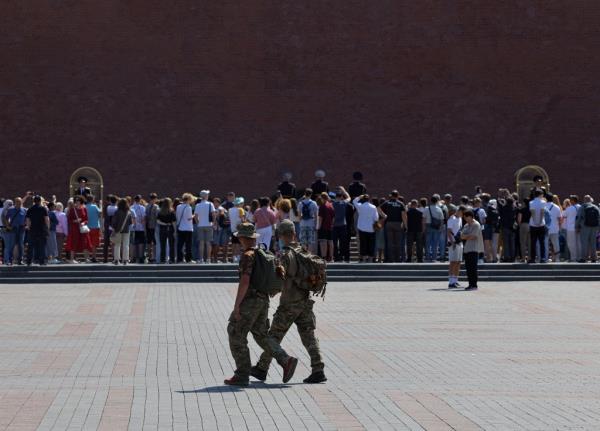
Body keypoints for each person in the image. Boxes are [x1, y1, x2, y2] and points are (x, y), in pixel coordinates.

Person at [251, 220, 326, 384]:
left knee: (273, 336)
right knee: (309, 337)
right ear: (294, 233)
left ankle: (262, 368)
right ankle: (318, 368)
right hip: (305, 301)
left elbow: (280, 275)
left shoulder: (286, 254)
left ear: (281, 235)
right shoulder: (303, 250)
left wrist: (271, 288)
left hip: (289, 303)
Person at [225, 222, 298, 386]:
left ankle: (242, 374)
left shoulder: (247, 256)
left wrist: (237, 306)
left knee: (235, 332)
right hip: (263, 299)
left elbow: (245, 281)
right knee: (261, 334)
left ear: (242, 238)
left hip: (250, 301)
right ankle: (285, 360)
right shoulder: (262, 252)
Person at [380, 190, 408, 263]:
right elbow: (404, 215)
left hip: (389, 223)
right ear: (398, 196)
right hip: (398, 224)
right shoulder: (401, 203)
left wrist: (384, 216)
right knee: (398, 242)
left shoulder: (387, 202)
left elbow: (378, 209)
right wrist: (405, 225)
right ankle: (397, 258)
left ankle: (390, 259)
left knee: (389, 242)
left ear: (391, 195)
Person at [460, 209, 484, 290]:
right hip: (467, 249)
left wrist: (466, 236)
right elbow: (461, 236)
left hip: (474, 249)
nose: (465, 219)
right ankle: (470, 284)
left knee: (473, 268)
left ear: (470, 216)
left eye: (466, 217)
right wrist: (467, 236)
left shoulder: (476, 225)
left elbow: (474, 236)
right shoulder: (466, 225)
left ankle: (474, 285)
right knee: (468, 268)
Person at [66, 196, 94, 263]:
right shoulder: (72, 209)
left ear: (81, 201)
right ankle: (72, 259)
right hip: (74, 229)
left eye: (78, 200)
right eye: (76, 200)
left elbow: (86, 219)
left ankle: (86, 259)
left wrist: (83, 222)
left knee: (85, 243)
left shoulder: (84, 209)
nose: (77, 202)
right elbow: (69, 220)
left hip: (82, 228)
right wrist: (75, 221)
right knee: (73, 243)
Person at [353, 194, 379, 262]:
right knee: (371, 244)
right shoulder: (373, 207)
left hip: (362, 228)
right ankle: (370, 259)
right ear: (369, 200)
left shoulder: (360, 206)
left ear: (363, 199)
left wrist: (359, 196)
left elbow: (354, 201)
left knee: (363, 244)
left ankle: (364, 259)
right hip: (371, 229)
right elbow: (376, 218)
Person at [25, 195, 49, 266]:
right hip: (41, 229)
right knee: (42, 246)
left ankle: (29, 261)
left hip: (32, 230)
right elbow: (46, 219)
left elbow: (28, 219)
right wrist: (47, 228)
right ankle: (42, 261)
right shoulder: (43, 208)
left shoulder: (30, 209)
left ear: (34, 201)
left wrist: (29, 227)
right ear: (40, 201)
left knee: (30, 246)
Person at [194, 190, 216, 264]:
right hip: (209, 225)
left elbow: (196, 216)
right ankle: (208, 259)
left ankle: (201, 259)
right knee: (208, 243)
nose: (208, 196)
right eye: (207, 195)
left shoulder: (198, 205)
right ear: (205, 196)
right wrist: (213, 223)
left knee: (201, 243)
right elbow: (213, 214)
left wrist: (198, 223)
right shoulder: (210, 204)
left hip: (200, 225)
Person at [3, 197, 27, 265]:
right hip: (13, 229)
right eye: (17, 202)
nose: (19, 203)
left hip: (21, 229)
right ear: (15, 202)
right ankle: (10, 260)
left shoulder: (24, 210)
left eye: (20, 202)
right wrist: (7, 226)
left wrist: (26, 225)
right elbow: (6, 218)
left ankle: (20, 260)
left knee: (21, 245)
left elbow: (27, 218)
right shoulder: (10, 209)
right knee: (12, 244)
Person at [576, 195, 600, 263]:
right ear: (590, 200)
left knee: (584, 242)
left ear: (584, 200)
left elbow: (579, 217)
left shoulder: (582, 207)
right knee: (593, 243)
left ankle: (584, 258)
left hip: (585, 226)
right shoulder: (596, 207)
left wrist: (577, 226)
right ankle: (594, 258)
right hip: (595, 227)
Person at [111, 198, 133, 265]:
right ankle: (125, 259)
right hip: (126, 230)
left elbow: (114, 222)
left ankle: (117, 260)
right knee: (126, 245)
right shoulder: (129, 212)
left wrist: (114, 228)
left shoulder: (117, 212)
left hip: (118, 230)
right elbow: (130, 222)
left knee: (117, 245)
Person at [423, 195, 445, 262]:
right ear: (437, 201)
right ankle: (434, 258)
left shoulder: (427, 208)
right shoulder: (439, 209)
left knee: (428, 243)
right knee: (435, 243)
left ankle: (427, 257)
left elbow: (424, 219)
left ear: (431, 201)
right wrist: (441, 228)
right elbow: (442, 220)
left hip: (428, 226)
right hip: (436, 227)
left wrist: (423, 228)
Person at [446, 206, 464, 288]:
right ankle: (450, 282)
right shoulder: (451, 219)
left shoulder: (460, 219)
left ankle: (455, 280)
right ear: (459, 211)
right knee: (453, 262)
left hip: (459, 243)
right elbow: (449, 232)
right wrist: (452, 242)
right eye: (462, 213)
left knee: (458, 262)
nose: (463, 215)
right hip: (453, 243)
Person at [528, 190, 547, 263]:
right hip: (541, 224)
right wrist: (539, 221)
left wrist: (535, 221)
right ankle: (542, 258)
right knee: (542, 242)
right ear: (540, 195)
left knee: (533, 242)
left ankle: (533, 258)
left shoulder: (531, 202)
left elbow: (532, 212)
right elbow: (542, 212)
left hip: (533, 224)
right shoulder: (543, 202)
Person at [332, 188, 351, 262]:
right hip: (343, 225)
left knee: (335, 242)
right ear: (341, 197)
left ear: (336, 197)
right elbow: (349, 198)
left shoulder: (332, 204)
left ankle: (336, 257)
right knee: (343, 242)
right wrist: (344, 191)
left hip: (334, 225)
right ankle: (342, 256)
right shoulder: (344, 203)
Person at [298, 189, 319, 253]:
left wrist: (301, 221)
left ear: (305, 194)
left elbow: (299, 215)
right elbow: (316, 215)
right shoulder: (314, 203)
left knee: (303, 241)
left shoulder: (300, 203)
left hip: (303, 223)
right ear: (311, 194)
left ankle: (304, 255)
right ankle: (309, 256)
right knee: (310, 241)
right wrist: (316, 225)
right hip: (311, 223)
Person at [156, 197, 176, 264]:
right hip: (170, 228)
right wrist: (175, 231)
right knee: (171, 245)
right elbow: (174, 222)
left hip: (162, 229)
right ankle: (171, 259)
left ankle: (162, 259)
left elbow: (158, 221)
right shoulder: (171, 211)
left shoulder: (160, 211)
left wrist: (164, 223)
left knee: (163, 245)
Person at [317, 192, 335, 262]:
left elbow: (320, 218)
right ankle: (331, 257)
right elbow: (333, 218)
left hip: (323, 227)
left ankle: (323, 257)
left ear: (322, 198)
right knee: (330, 242)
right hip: (330, 226)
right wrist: (332, 224)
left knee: (323, 242)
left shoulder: (322, 206)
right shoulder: (331, 205)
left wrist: (319, 227)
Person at [176, 193, 194, 263]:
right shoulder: (188, 207)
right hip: (188, 228)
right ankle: (188, 259)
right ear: (188, 199)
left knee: (180, 244)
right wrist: (193, 215)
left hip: (180, 228)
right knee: (188, 245)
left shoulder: (178, 206)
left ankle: (179, 259)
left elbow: (177, 216)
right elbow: (189, 218)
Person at [544, 193, 562, 262]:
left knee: (545, 243)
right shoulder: (557, 207)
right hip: (555, 228)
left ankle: (546, 258)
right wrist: (559, 227)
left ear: (546, 198)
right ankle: (557, 258)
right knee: (556, 243)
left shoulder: (544, 206)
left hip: (545, 228)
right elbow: (560, 219)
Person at [498, 197, 517, 262]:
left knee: (506, 243)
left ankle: (507, 257)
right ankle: (513, 257)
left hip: (505, 227)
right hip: (512, 227)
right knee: (512, 243)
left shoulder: (503, 208)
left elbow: (499, 207)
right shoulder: (514, 209)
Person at [229, 197, 246, 262]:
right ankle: (238, 257)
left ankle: (234, 257)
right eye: (242, 203)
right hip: (239, 229)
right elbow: (243, 220)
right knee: (238, 244)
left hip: (232, 228)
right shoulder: (240, 209)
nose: (242, 204)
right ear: (239, 203)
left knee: (233, 243)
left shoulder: (230, 210)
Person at [130, 195, 147, 263]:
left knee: (133, 243)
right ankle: (140, 257)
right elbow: (143, 219)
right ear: (140, 200)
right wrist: (144, 228)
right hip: (141, 228)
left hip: (133, 228)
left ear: (134, 200)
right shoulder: (142, 208)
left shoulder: (131, 207)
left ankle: (133, 257)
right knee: (141, 243)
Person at [85, 195, 102, 262]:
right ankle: (93, 257)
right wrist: (100, 205)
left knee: (87, 243)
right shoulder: (94, 206)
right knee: (94, 243)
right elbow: (100, 212)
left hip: (87, 227)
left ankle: (87, 258)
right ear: (93, 200)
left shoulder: (85, 207)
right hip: (95, 227)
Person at [564, 195, 581, 262]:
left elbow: (564, 215)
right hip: (579, 228)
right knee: (579, 243)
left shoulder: (569, 208)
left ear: (573, 201)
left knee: (571, 243)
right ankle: (579, 257)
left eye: (570, 200)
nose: (570, 201)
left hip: (571, 228)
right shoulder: (580, 207)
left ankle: (573, 257)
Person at [102, 195, 118, 263]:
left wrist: (103, 226)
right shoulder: (117, 208)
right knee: (114, 243)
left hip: (107, 226)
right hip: (114, 227)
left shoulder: (106, 207)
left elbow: (104, 217)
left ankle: (105, 258)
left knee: (106, 243)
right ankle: (115, 258)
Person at [145, 193, 159, 263]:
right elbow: (157, 217)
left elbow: (145, 216)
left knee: (149, 242)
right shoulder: (156, 207)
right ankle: (154, 256)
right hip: (154, 226)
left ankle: (149, 256)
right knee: (155, 242)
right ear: (155, 199)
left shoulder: (146, 206)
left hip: (148, 226)